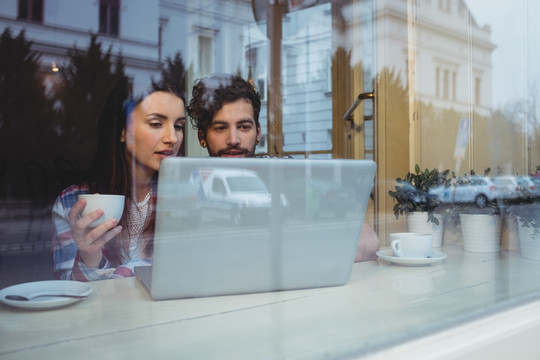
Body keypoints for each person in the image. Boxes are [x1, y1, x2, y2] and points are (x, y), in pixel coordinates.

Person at [187, 73, 379, 261]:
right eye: (220, 128)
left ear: (258, 132)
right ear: (202, 137)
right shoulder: (187, 184)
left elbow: (368, 243)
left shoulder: (283, 172)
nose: (234, 140)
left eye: (244, 126)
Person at [51, 83, 186, 281]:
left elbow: (191, 275)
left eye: (179, 126)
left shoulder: (183, 199)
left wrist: (124, 271)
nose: (173, 138)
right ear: (123, 131)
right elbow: (68, 292)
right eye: (156, 123)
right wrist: (89, 259)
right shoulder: (72, 203)